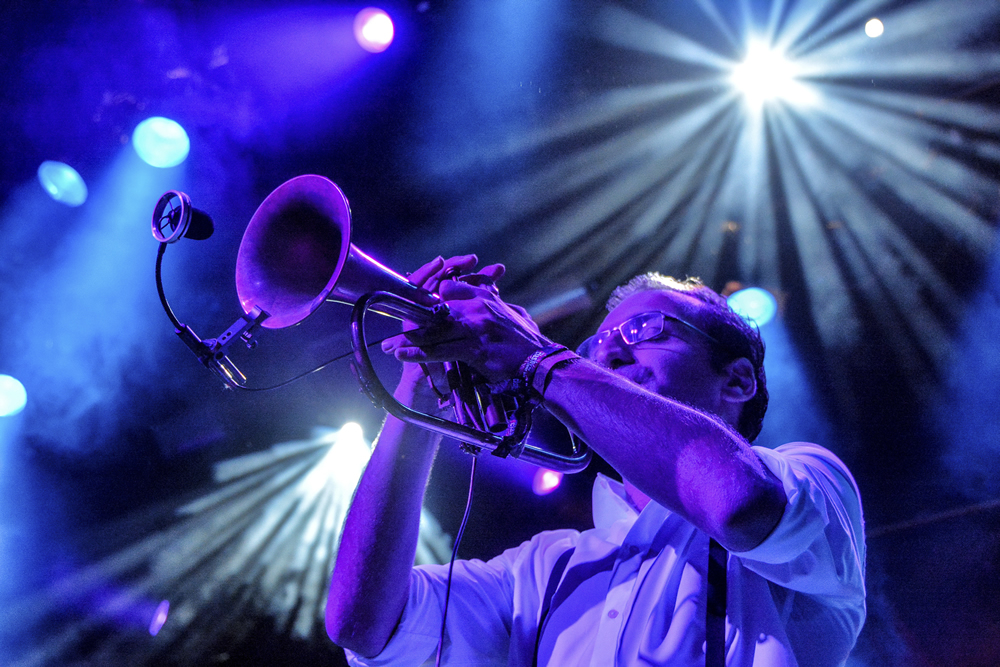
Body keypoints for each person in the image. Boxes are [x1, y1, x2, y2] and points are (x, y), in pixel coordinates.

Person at [325, 254, 866, 666]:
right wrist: (420, 398)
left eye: (645, 330)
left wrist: (538, 359)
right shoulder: (546, 564)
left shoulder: (808, 474)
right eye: (597, 345)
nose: (608, 353)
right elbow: (362, 623)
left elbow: (739, 504)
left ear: (738, 379)